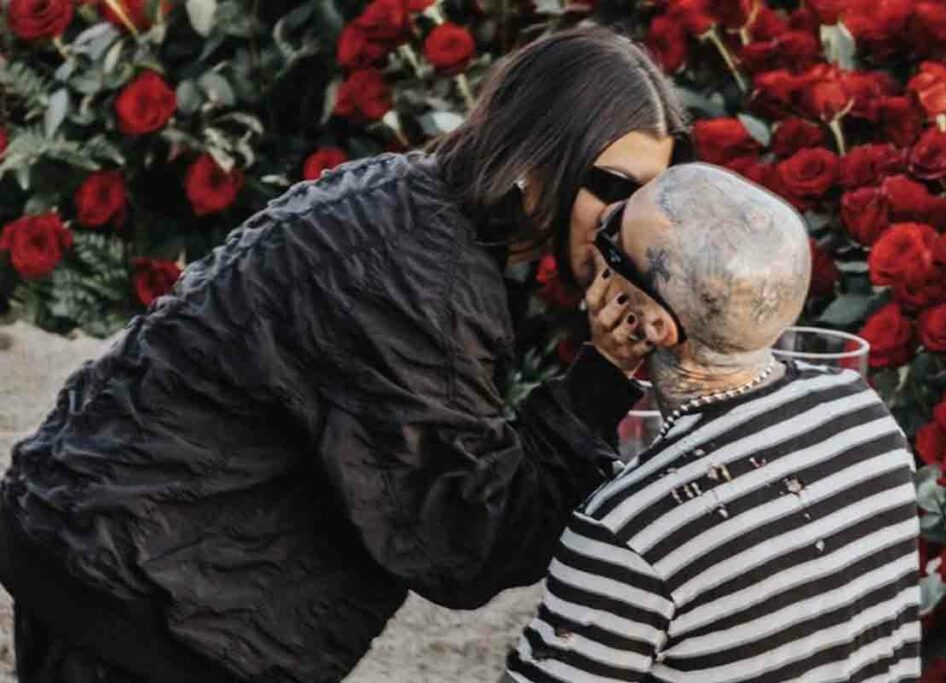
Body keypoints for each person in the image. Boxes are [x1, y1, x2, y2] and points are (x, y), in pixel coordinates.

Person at [0, 27, 688, 683]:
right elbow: (466, 542)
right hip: (139, 597)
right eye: (612, 186)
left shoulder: (410, 202)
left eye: (643, 196)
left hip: (111, 559)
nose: (621, 220)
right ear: (539, 153)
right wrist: (601, 372)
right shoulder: (418, 275)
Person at [506, 163, 921, 683]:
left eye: (612, 241)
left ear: (653, 322)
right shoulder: (863, 416)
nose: (603, 216)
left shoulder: (628, 530)